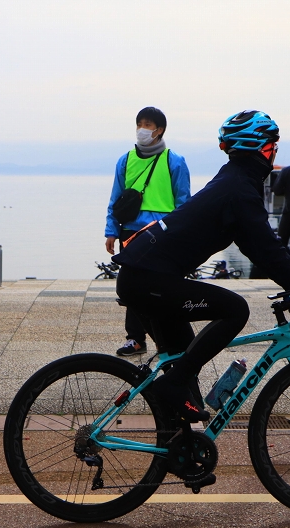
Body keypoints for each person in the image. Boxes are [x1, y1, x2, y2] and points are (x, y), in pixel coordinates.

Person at [112, 110, 290, 422]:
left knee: (183, 363)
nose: (273, 152)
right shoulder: (240, 190)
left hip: (145, 275)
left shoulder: (232, 180)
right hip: (149, 280)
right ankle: (171, 387)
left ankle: (181, 451)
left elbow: (260, 250)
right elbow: (270, 253)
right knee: (236, 309)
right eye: (271, 146)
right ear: (258, 148)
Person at [105, 107, 191, 357]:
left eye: (148, 124)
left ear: (160, 129)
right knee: (132, 286)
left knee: (162, 285)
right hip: (131, 231)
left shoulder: (175, 161)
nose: (143, 129)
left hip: (163, 233)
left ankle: (169, 337)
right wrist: (111, 231)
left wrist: (183, 235)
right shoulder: (125, 160)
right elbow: (115, 198)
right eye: (139, 123)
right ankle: (136, 339)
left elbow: (184, 202)